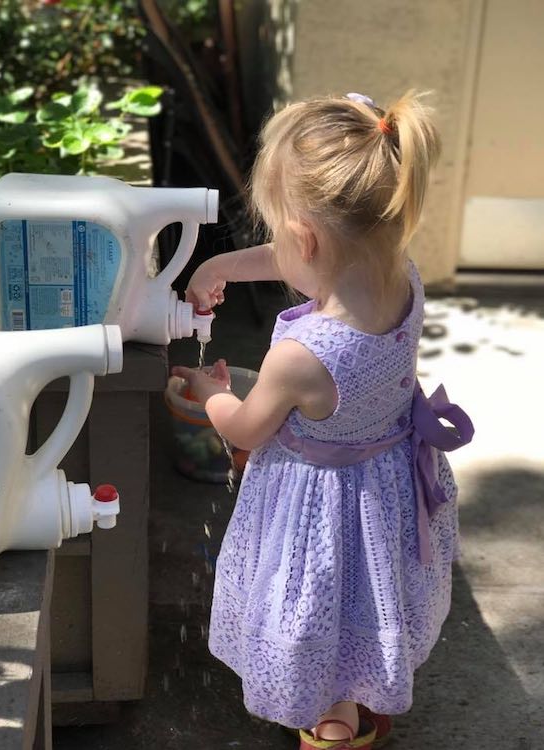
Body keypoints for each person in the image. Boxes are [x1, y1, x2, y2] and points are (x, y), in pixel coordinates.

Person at [172, 90, 474, 750]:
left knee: (314, 605)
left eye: (278, 234)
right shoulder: (399, 271)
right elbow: (302, 262)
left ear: (304, 239)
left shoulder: (300, 358)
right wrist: (220, 267)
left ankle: (330, 715)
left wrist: (208, 390)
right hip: (386, 482)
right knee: (363, 601)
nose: (276, 247)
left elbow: (245, 430)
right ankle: (354, 698)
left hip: (319, 504)